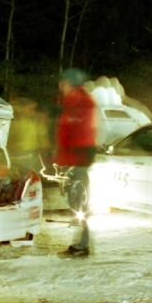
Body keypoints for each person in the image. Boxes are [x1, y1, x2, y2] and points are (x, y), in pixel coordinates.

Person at [54, 68, 97, 257]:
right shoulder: (79, 102)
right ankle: (81, 243)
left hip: (77, 158)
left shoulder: (76, 103)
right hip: (78, 158)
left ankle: (82, 246)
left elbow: (72, 135)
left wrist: (65, 160)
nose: (60, 87)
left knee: (78, 203)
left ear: (69, 84)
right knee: (78, 202)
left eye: (62, 83)